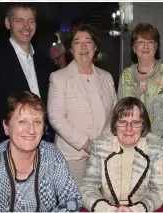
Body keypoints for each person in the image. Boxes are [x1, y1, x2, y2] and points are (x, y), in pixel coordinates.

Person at [0, 91, 82, 212]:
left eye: (37, 122)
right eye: (22, 121)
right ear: (6, 127)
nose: (31, 130)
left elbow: (72, 198)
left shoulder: (52, 155)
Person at [47, 23, 117, 185]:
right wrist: (86, 144)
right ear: (70, 49)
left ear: (95, 46)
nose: (83, 46)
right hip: (72, 156)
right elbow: (56, 117)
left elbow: (115, 113)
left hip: (103, 153)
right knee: (75, 204)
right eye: (77, 42)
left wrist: (102, 144)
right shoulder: (59, 77)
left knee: (101, 202)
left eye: (88, 41)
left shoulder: (106, 77)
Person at [0, 3, 55, 146]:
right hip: (7, 144)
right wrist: (11, 132)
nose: (26, 27)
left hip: (42, 143)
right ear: (8, 23)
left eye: (31, 21)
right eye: (19, 20)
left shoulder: (44, 62)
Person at [80, 97, 163, 212]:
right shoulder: (100, 146)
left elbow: (158, 191)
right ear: (115, 124)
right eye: (122, 122)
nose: (129, 129)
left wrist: (136, 210)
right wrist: (108, 210)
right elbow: (87, 188)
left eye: (135, 123)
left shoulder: (155, 147)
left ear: (143, 125)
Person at [118, 23, 163, 149]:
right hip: (131, 142)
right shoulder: (125, 75)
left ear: (156, 46)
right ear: (134, 47)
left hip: (161, 145)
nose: (146, 46)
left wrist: (149, 135)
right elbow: (120, 110)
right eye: (141, 41)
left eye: (151, 41)